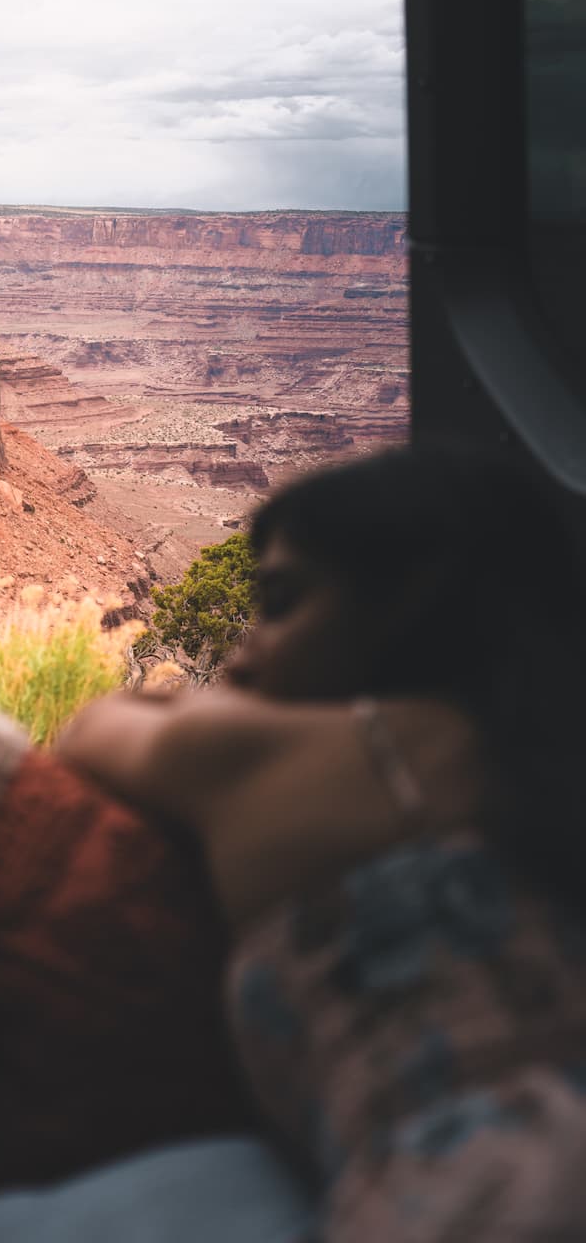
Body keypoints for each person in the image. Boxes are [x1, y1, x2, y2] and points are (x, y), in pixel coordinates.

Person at [55, 443, 586, 1240]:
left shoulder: (308, 757)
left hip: (476, 1191)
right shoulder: (546, 745)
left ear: (415, 598)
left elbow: (93, 728)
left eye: (280, 601)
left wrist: (221, 707)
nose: (245, 650)